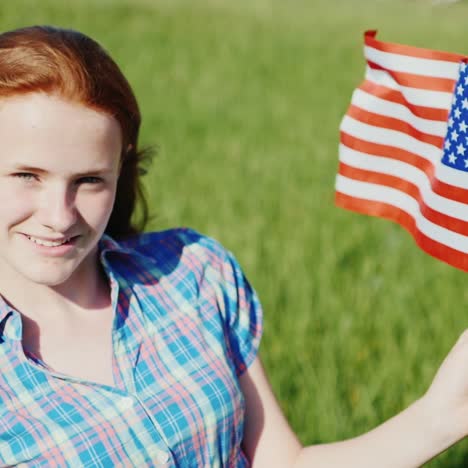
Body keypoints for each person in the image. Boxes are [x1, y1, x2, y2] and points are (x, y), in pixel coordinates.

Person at [0, 25, 466, 468]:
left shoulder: (193, 275)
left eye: (89, 180)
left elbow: (284, 463)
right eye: (26, 175)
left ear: (120, 173)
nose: (59, 215)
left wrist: (442, 415)